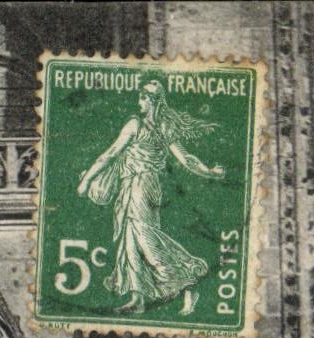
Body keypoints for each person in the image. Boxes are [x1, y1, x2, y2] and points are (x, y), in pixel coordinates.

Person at [76, 78, 225, 317]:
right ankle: (138, 298)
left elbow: (111, 154)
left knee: (145, 239)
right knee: (131, 240)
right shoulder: (165, 128)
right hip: (146, 187)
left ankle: (190, 279)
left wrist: (85, 181)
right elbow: (187, 160)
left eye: (142, 97)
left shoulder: (135, 125)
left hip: (139, 185)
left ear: (150, 100)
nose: (139, 102)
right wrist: (209, 171)